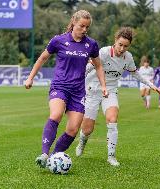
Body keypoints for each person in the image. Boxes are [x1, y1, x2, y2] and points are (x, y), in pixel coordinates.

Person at [24, 10, 107, 168]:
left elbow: (98, 65)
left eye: (87, 27)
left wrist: (103, 85)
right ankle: (44, 153)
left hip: (78, 91)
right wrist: (30, 77)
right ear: (73, 23)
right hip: (60, 86)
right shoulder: (59, 40)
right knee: (55, 115)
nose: (84, 29)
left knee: (73, 129)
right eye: (82, 26)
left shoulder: (91, 44)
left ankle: (54, 158)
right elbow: (42, 58)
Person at [75, 27, 160, 166]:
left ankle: (111, 156)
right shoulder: (103, 52)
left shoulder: (128, 57)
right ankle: (82, 143)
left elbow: (136, 73)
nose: (122, 48)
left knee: (113, 119)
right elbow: (88, 68)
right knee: (87, 129)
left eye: (126, 46)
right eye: (120, 44)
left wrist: (151, 85)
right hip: (92, 90)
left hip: (110, 91)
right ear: (115, 41)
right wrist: (75, 81)